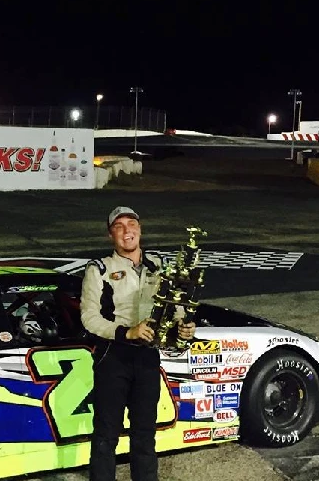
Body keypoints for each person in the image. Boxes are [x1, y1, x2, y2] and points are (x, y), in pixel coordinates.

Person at [81, 206, 196, 481]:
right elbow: (88, 318)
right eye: (119, 226)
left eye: (131, 224)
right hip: (113, 357)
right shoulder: (99, 269)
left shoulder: (159, 266)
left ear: (140, 230)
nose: (126, 230)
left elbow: (175, 305)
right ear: (111, 235)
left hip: (147, 358)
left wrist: (183, 327)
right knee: (106, 435)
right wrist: (126, 333)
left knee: (144, 434)